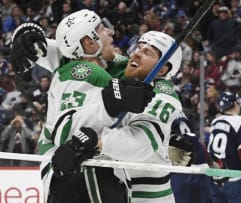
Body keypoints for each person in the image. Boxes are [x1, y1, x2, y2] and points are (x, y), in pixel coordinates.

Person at [10, 9, 155, 203]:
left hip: (79, 176)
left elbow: (122, 65)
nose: (110, 33)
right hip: (83, 176)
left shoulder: (91, 66)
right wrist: (109, 105)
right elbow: (67, 132)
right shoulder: (84, 72)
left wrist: (28, 32)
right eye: (102, 29)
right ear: (89, 41)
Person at [100, 30, 183, 203]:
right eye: (138, 47)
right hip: (115, 187)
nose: (136, 53)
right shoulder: (128, 67)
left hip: (147, 195)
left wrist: (96, 141)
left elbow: (139, 144)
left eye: (147, 52)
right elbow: (88, 54)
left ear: (162, 70)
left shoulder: (164, 96)